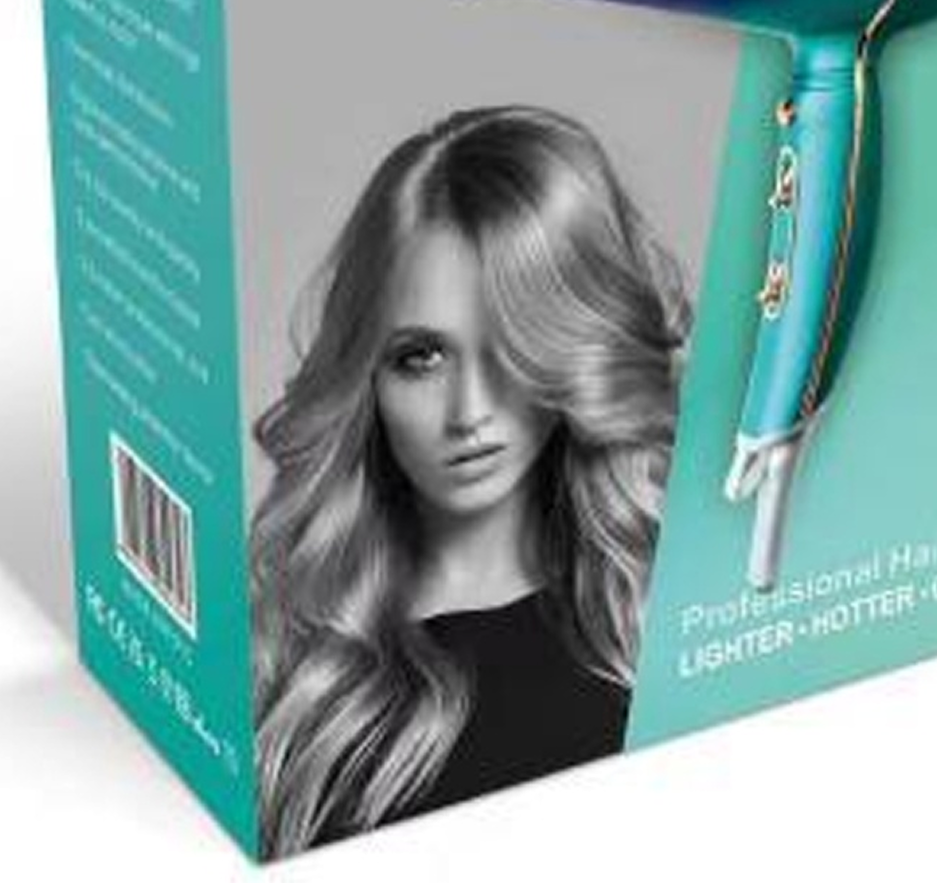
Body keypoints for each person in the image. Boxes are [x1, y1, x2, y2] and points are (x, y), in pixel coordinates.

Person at [250, 105, 692, 855]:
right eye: (421, 357)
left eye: (512, 348)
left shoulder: (662, 620)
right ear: (367, 373)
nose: (469, 413)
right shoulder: (292, 660)